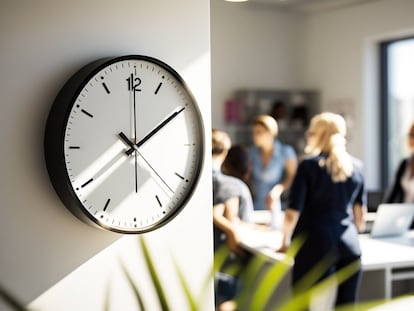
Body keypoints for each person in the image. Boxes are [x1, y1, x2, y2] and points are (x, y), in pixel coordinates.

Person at [278, 112, 367, 309]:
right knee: (346, 306)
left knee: (304, 304)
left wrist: (284, 241)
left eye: (311, 132)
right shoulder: (357, 167)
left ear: (320, 134)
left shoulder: (309, 165)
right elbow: (360, 215)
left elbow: (293, 211)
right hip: (349, 244)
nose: (308, 136)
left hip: (314, 244)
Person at [212, 129, 254, 310]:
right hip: (226, 257)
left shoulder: (198, 180)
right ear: (225, 152)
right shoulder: (230, 184)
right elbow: (226, 218)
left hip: (208, 255)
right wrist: (234, 235)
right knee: (227, 301)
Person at [248, 115, 297, 228]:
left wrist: (277, 190)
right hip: (255, 204)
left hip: (275, 205)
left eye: (259, 132)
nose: (255, 136)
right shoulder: (252, 152)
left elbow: (292, 177)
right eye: (254, 132)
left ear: (271, 133)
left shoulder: (285, 152)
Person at [384, 122, 414, 204]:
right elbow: (394, 191)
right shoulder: (405, 164)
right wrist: (384, 210)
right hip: (404, 211)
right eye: (411, 135)